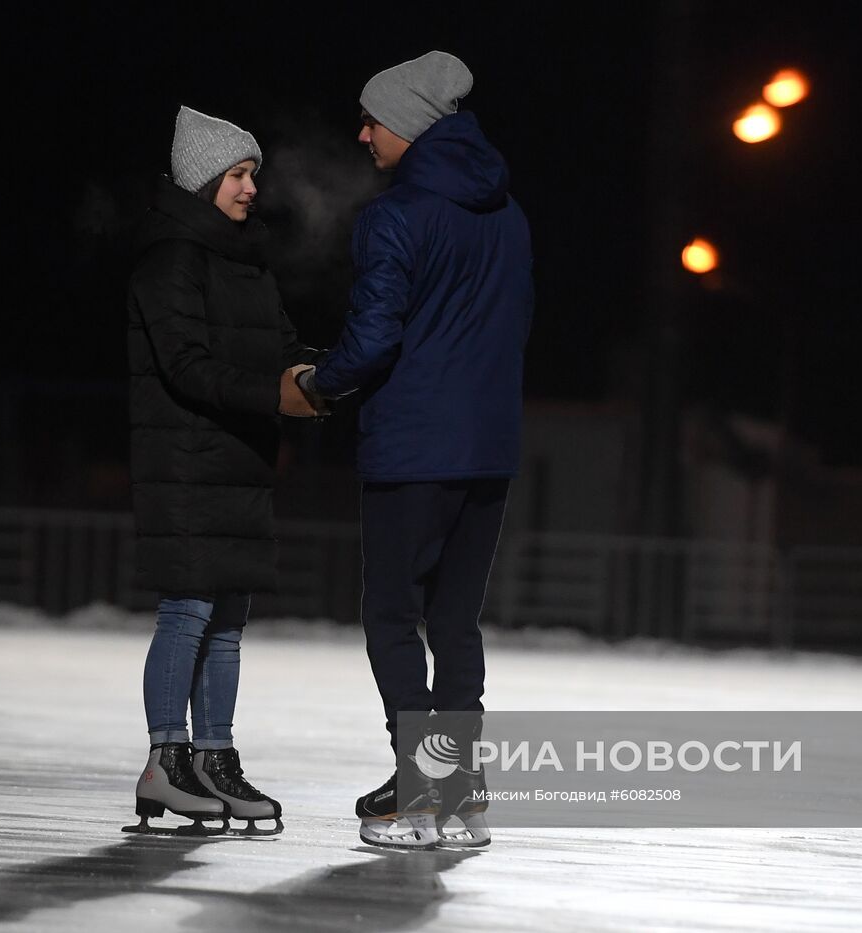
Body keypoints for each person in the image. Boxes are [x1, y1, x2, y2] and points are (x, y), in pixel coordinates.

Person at [299, 51, 534, 849]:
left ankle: (428, 790)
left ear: (409, 124)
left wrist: (316, 383)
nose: (362, 133)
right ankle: (454, 789)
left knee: (393, 617)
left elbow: (371, 341)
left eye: (372, 119)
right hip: (489, 448)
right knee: (455, 621)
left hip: (411, 447)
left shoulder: (396, 215)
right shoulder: (509, 216)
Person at [124, 105, 323, 836]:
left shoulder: (247, 259)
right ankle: (164, 760)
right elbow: (184, 366)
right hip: (185, 457)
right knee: (188, 612)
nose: (249, 189)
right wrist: (273, 394)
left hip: (238, 455)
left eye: (252, 175)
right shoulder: (169, 257)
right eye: (238, 174)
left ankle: (213, 757)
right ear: (203, 177)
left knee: (229, 622)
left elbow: (282, 343)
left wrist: (319, 375)